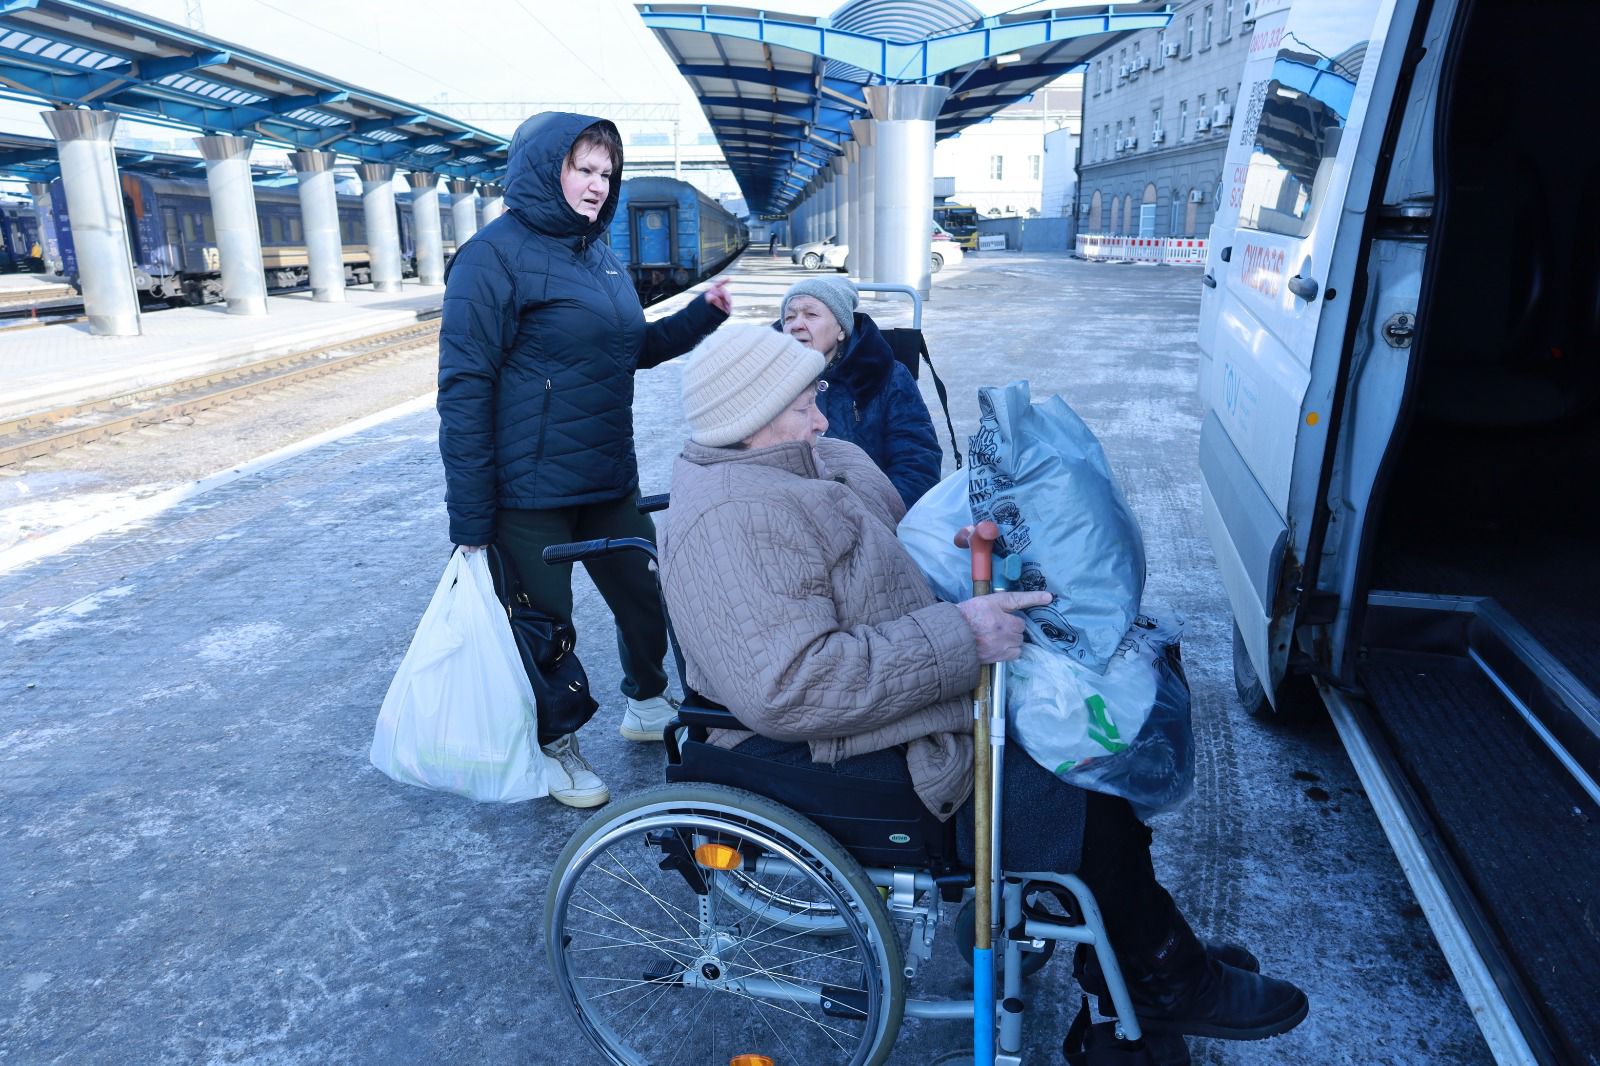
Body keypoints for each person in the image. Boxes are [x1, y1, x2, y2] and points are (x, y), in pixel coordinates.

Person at [658, 325, 1309, 1053]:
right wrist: (961, 638)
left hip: (879, 704)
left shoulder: (809, 465)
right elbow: (791, 686)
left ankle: (1133, 952)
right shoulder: (737, 517)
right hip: (811, 747)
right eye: (805, 405)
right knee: (1071, 780)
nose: (821, 419)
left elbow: (884, 559)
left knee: (1094, 726)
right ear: (750, 421)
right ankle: (1161, 974)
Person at [437, 112, 731, 809]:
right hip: (528, 491)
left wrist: (703, 315)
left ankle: (647, 700)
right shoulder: (491, 258)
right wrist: (471, 515)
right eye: (584, 169)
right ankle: (553, 749)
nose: (598, 184)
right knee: (545, 628)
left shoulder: (597, 255)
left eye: (606, 172)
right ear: (547, 170)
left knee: (649, 596)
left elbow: (629, 347)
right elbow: (465, 387)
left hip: (605, 473)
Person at [779, 275, 941, 508]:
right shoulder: (768, 378)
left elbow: (917, 463)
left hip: (868, 510)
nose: (796, 325)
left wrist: (876, 515)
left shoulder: (887, 376)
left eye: (811, 314)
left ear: (841, 330)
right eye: (789, 317)